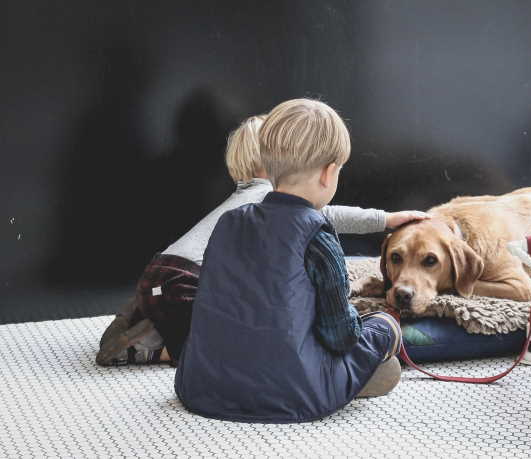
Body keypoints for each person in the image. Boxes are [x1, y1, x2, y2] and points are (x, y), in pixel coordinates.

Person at [96, 112, 425, 367]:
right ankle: (152, 350)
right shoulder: (270, 199)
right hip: (187, 281)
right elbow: (329, 214)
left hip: (161, 273)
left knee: (180, 310)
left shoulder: (245, 198)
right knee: (215, 345)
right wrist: (386, 219)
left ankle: (140, 320)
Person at [175, 99, 413, 423]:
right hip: (291, 393)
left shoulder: (229, 222)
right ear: (329, 174)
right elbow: (340, 336)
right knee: (383, 326)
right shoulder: (318, 237)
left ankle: (344, 377)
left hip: (204, 385)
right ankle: (354, 375)